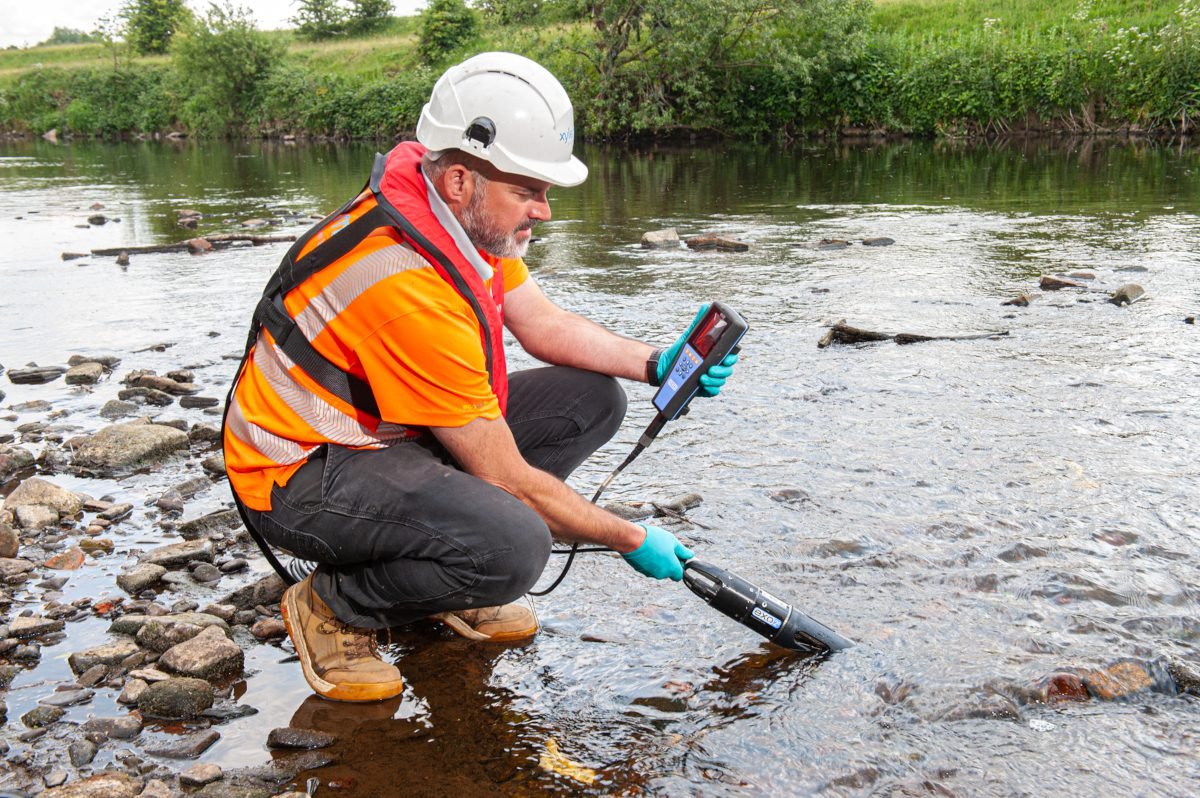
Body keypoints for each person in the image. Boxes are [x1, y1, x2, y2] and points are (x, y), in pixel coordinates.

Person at [222, 52, 739, 703]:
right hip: (296, 474)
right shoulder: (405, 280)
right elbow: (507, 478)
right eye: (529, 192)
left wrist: (656, 363)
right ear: (462, 179)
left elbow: (541, 324)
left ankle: (452, 578)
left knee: (591, 401)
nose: (544, 212)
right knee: (517, 545)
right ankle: (333, 605)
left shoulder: (457, 223)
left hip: (383, 439)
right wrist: (629, 536)